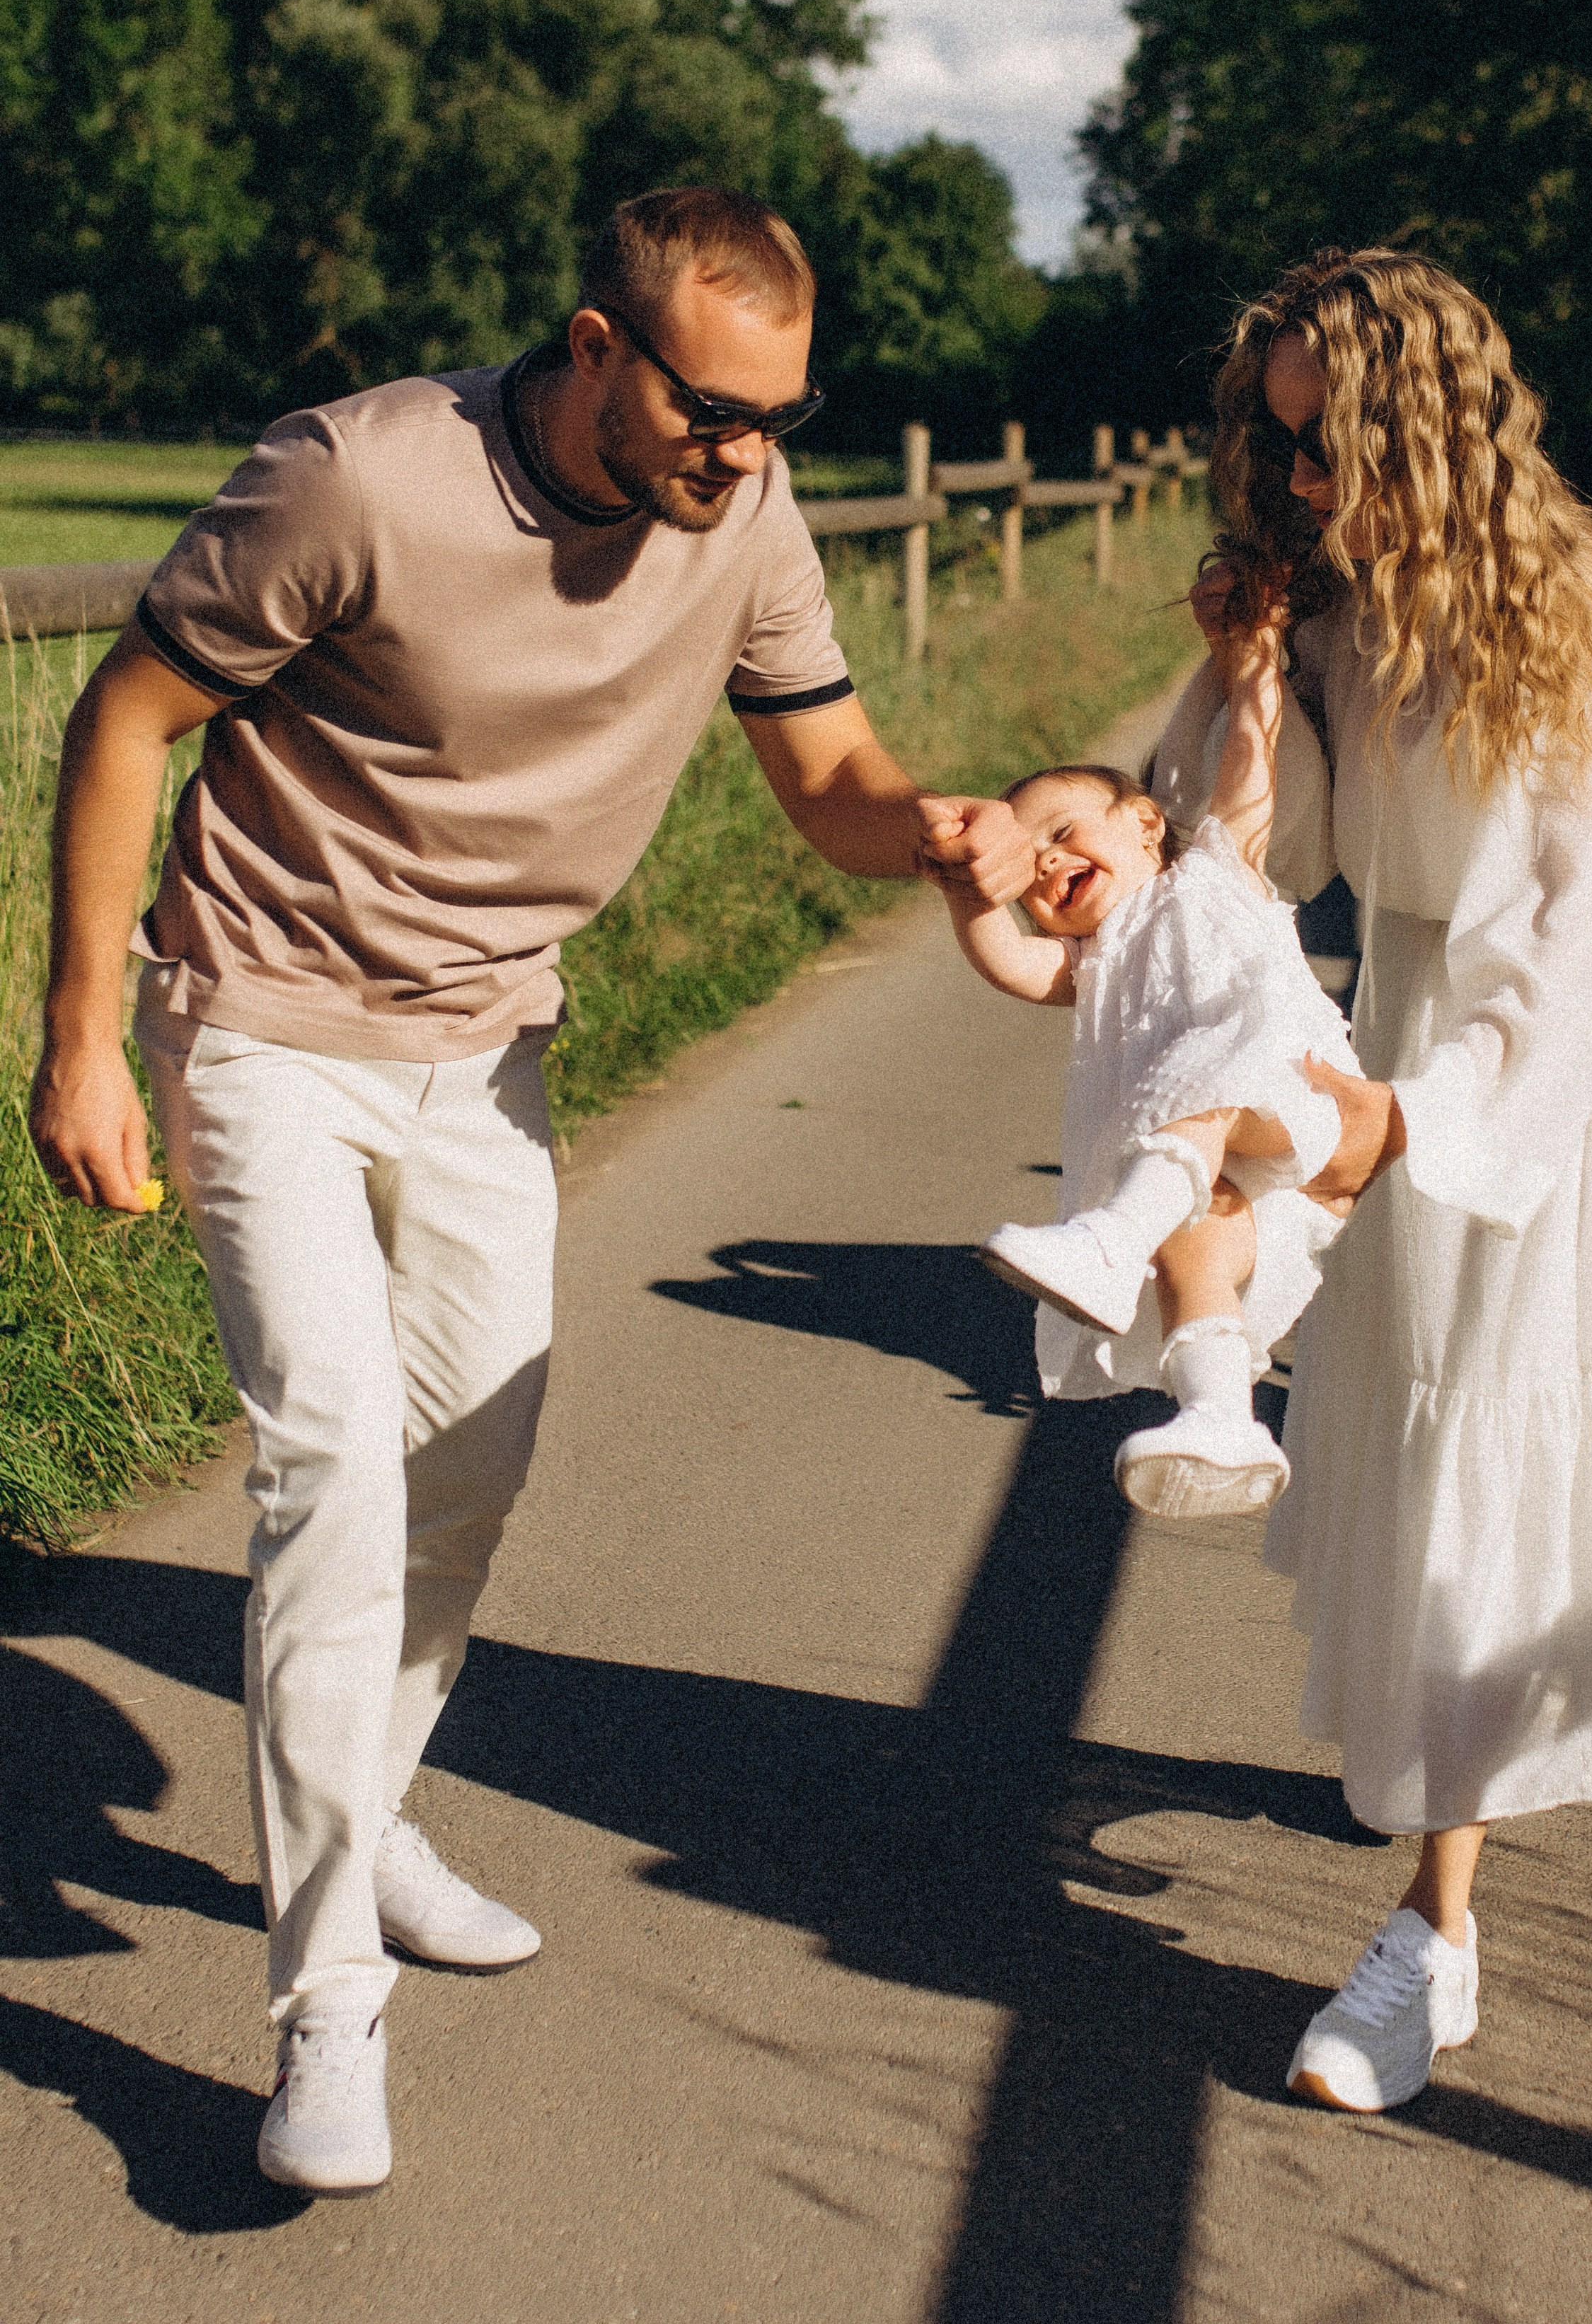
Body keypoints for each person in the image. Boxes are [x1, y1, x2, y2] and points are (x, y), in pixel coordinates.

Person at [28, 185, 1032, 2196]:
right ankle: (323, 2004)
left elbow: (829, 781)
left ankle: (369, 1798)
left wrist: (944, 835)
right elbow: (130, 712)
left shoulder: (738, 526)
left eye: (781, 418)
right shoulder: (357, 479)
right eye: (707, 406)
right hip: (264, 1019)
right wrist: (72, 1027)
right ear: (595, 345)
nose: (740, 452)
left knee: (472, 1461)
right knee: (331, 1458)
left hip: (491, 1044)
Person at [1182, 245, 1592, 2116]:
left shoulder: (1570, 609)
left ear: (1429, 421)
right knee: (1407, 1437)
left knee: (1487, 1438)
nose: (1307, 487)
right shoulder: (1332, 601)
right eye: (1288, 452)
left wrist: (1435, 1122)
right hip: (1399, 1028)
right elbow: (1283, 852)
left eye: (1334, 451)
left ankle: (1432, 1931)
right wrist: (1248, 677)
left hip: (1566, 1061)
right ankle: (1431, 1792)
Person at [933, 621, 1361, 1515]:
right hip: (1207, 1161)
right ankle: (1220, 1417)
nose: (1048, 861)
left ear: (1143, 823)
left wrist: (1251, 673)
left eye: (1061, 830)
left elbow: (1251, 759)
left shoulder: (1216, 868)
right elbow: (1012, 965)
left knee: (1209, 1072)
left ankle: (1108, 1242)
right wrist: (968, 892)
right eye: (1029, 871)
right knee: (1192, 1254)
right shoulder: (1091, 963)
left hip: (1290, 1090)